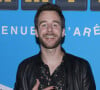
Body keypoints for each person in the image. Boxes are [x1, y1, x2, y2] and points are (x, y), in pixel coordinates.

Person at [14, 3, 96, 90]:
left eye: (55, 25)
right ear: (36, 32)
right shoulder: (25, 68)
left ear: (63, 32)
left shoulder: (82, 68)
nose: (49, 30)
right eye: (44, 25)